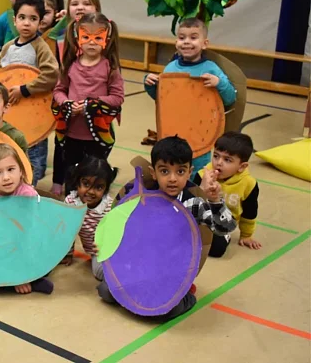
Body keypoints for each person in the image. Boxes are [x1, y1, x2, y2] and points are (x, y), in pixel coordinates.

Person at [98, 136, 237, 321]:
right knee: (106, 292)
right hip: (143, 265)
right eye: (164, 171)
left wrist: (215, 201)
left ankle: (187, 296)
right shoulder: (141, 197)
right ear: (153, 172)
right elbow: (117, 227)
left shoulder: (193, 203)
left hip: (172, 270)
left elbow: (224, 228)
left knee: (165, 311)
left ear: (190, 172)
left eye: (180, 171)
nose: (172, 179)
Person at [144, 18, 236, 175]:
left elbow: (230, 99)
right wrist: (150, 85)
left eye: (193, 37)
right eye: (182, 38)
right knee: (175, 170)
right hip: (175, 133)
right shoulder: (170, 68)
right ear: (176, 42)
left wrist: (219, 83)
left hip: (201, 136)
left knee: (198, 175)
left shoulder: (211, 69)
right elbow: (164, 102)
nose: (186, 42)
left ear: (204, 43)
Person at [0, 144, 54, 295]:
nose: (6, 177)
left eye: (11, 169)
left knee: (46, 256)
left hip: (22, 246)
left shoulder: (27, 195)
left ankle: (14, 279)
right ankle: (20, 281)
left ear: (21, 171)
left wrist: (21, 271)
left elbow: (30, 235)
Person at [52, 12, 124, 190]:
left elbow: (117, 97)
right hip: (71, 134)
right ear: (77, 38)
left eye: (98, 37)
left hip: (96, 136)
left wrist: (90, 105)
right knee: (72, 176)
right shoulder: (70, 65)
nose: (92, 42)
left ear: (106, 38)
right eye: (86, 37)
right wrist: (66, 103)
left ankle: (94, 211)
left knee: (93, 176)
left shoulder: (110, 68)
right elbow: (59, 91)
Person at [0, 0, 59, 186]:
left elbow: (51, 74)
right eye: (22, 17)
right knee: (10, 151)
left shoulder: (41, 47)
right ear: (15, 20)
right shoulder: (7, 48)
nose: (26, 23)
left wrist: (25, 89)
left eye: (33, 19)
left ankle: (31, 188)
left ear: (40, 22)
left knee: (34, 156)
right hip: (12, 113)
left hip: (34, 114)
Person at [47, 0, 102, 195]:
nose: (80, 7)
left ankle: (92, 184)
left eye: (87, 3)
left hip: (95, 107)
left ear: (97, 8)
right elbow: (52, 35)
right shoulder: (64, 37)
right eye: (75, 3)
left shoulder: (103, 35)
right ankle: (58, 182)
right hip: (68, 104)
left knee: (94, 145)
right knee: (62, 143)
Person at [194, 132, 261, 256]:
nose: (218, 162)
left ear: (242, 167)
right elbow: (189, 202)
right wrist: (202, 189)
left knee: (216, 250)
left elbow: (250, 212)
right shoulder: (202, 174)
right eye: (216, 156)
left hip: (222, 224)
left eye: (227, 160)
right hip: (200, 219)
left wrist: (246, 235)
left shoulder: (248, 184)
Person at [60, 156, 118, 280]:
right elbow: (69, 231)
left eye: (99, 187)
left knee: (104, 271)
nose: (91, 192)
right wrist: (68, 253)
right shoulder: (71, 202)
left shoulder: (109, 207)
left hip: (110, 249)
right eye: (86, 184)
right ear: (77, 183)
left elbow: (118, 233)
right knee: (99, 272)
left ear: (106, 189)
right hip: (95, 252)